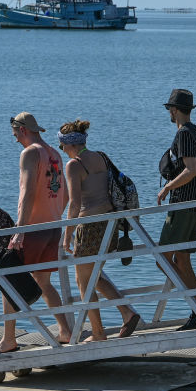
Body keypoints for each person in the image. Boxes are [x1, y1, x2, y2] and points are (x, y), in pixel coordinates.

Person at [0, 112, 72, 354]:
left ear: (23, 129)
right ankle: (66, 330)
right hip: (52, 227)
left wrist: (20, 230)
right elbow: (66, 194)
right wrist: (54, 214)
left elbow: (27, 193)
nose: (15, 139)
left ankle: (8, 339)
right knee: (44, 283)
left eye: (15, 133)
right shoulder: (55, 153)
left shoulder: (30, 153)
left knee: (9, 277)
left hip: (33, 228)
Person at [57, 120, 141, 341]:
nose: (62, 150)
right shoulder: (101, 157)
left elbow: (75, 204)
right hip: (110, 223)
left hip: (90, 225)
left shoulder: (74, 165)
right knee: (92, 276)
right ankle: (126, 312)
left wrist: (67, 234)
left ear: (69, 144)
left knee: (83, 281)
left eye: (61, 145)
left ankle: (98, 333)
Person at [157, 89, 196, 330]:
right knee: (183, 259)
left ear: (175, 110)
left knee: (163, 258)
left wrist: (167, 187)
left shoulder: (184, 135)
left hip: (183, 204)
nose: (169, 112)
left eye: (170, 109)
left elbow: (192, 170)